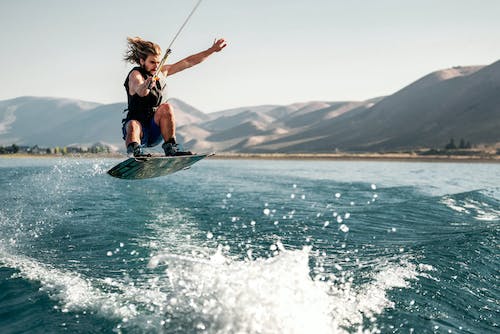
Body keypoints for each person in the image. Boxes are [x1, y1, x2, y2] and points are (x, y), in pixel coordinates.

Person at [122, 37, 227, 156]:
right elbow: (140, 91)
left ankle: (171, 148)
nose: (156, 66)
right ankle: (135, 153)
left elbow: (189, 62)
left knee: (166, 107)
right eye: (152, 62)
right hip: (137, 132)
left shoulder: (162, 72)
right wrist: (146, 85)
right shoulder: (135, 75)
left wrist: (212, 50)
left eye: (158, 62)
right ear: (142, 61)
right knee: (133, 124)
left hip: (156, 130)